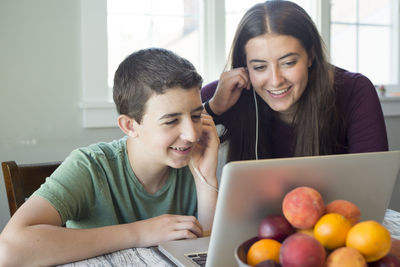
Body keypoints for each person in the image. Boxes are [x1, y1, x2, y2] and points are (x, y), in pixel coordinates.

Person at [0, 48, 219, 266]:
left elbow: (214, 254)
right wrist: (139, 233)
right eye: (171, 121)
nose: (191, 135)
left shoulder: (193, 161)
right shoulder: (89, 166)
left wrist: (206, 178)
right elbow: (9, 250)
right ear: (129, 125)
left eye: (196, 115)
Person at [201, 0, 388, 163]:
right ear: (245, 68)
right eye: (259, 67)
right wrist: (213, 109)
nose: (275, 81)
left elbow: (374, 184)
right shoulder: (228, 92)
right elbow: (174, 138)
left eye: (288, 63)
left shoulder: (354, 90)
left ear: (311, 55)